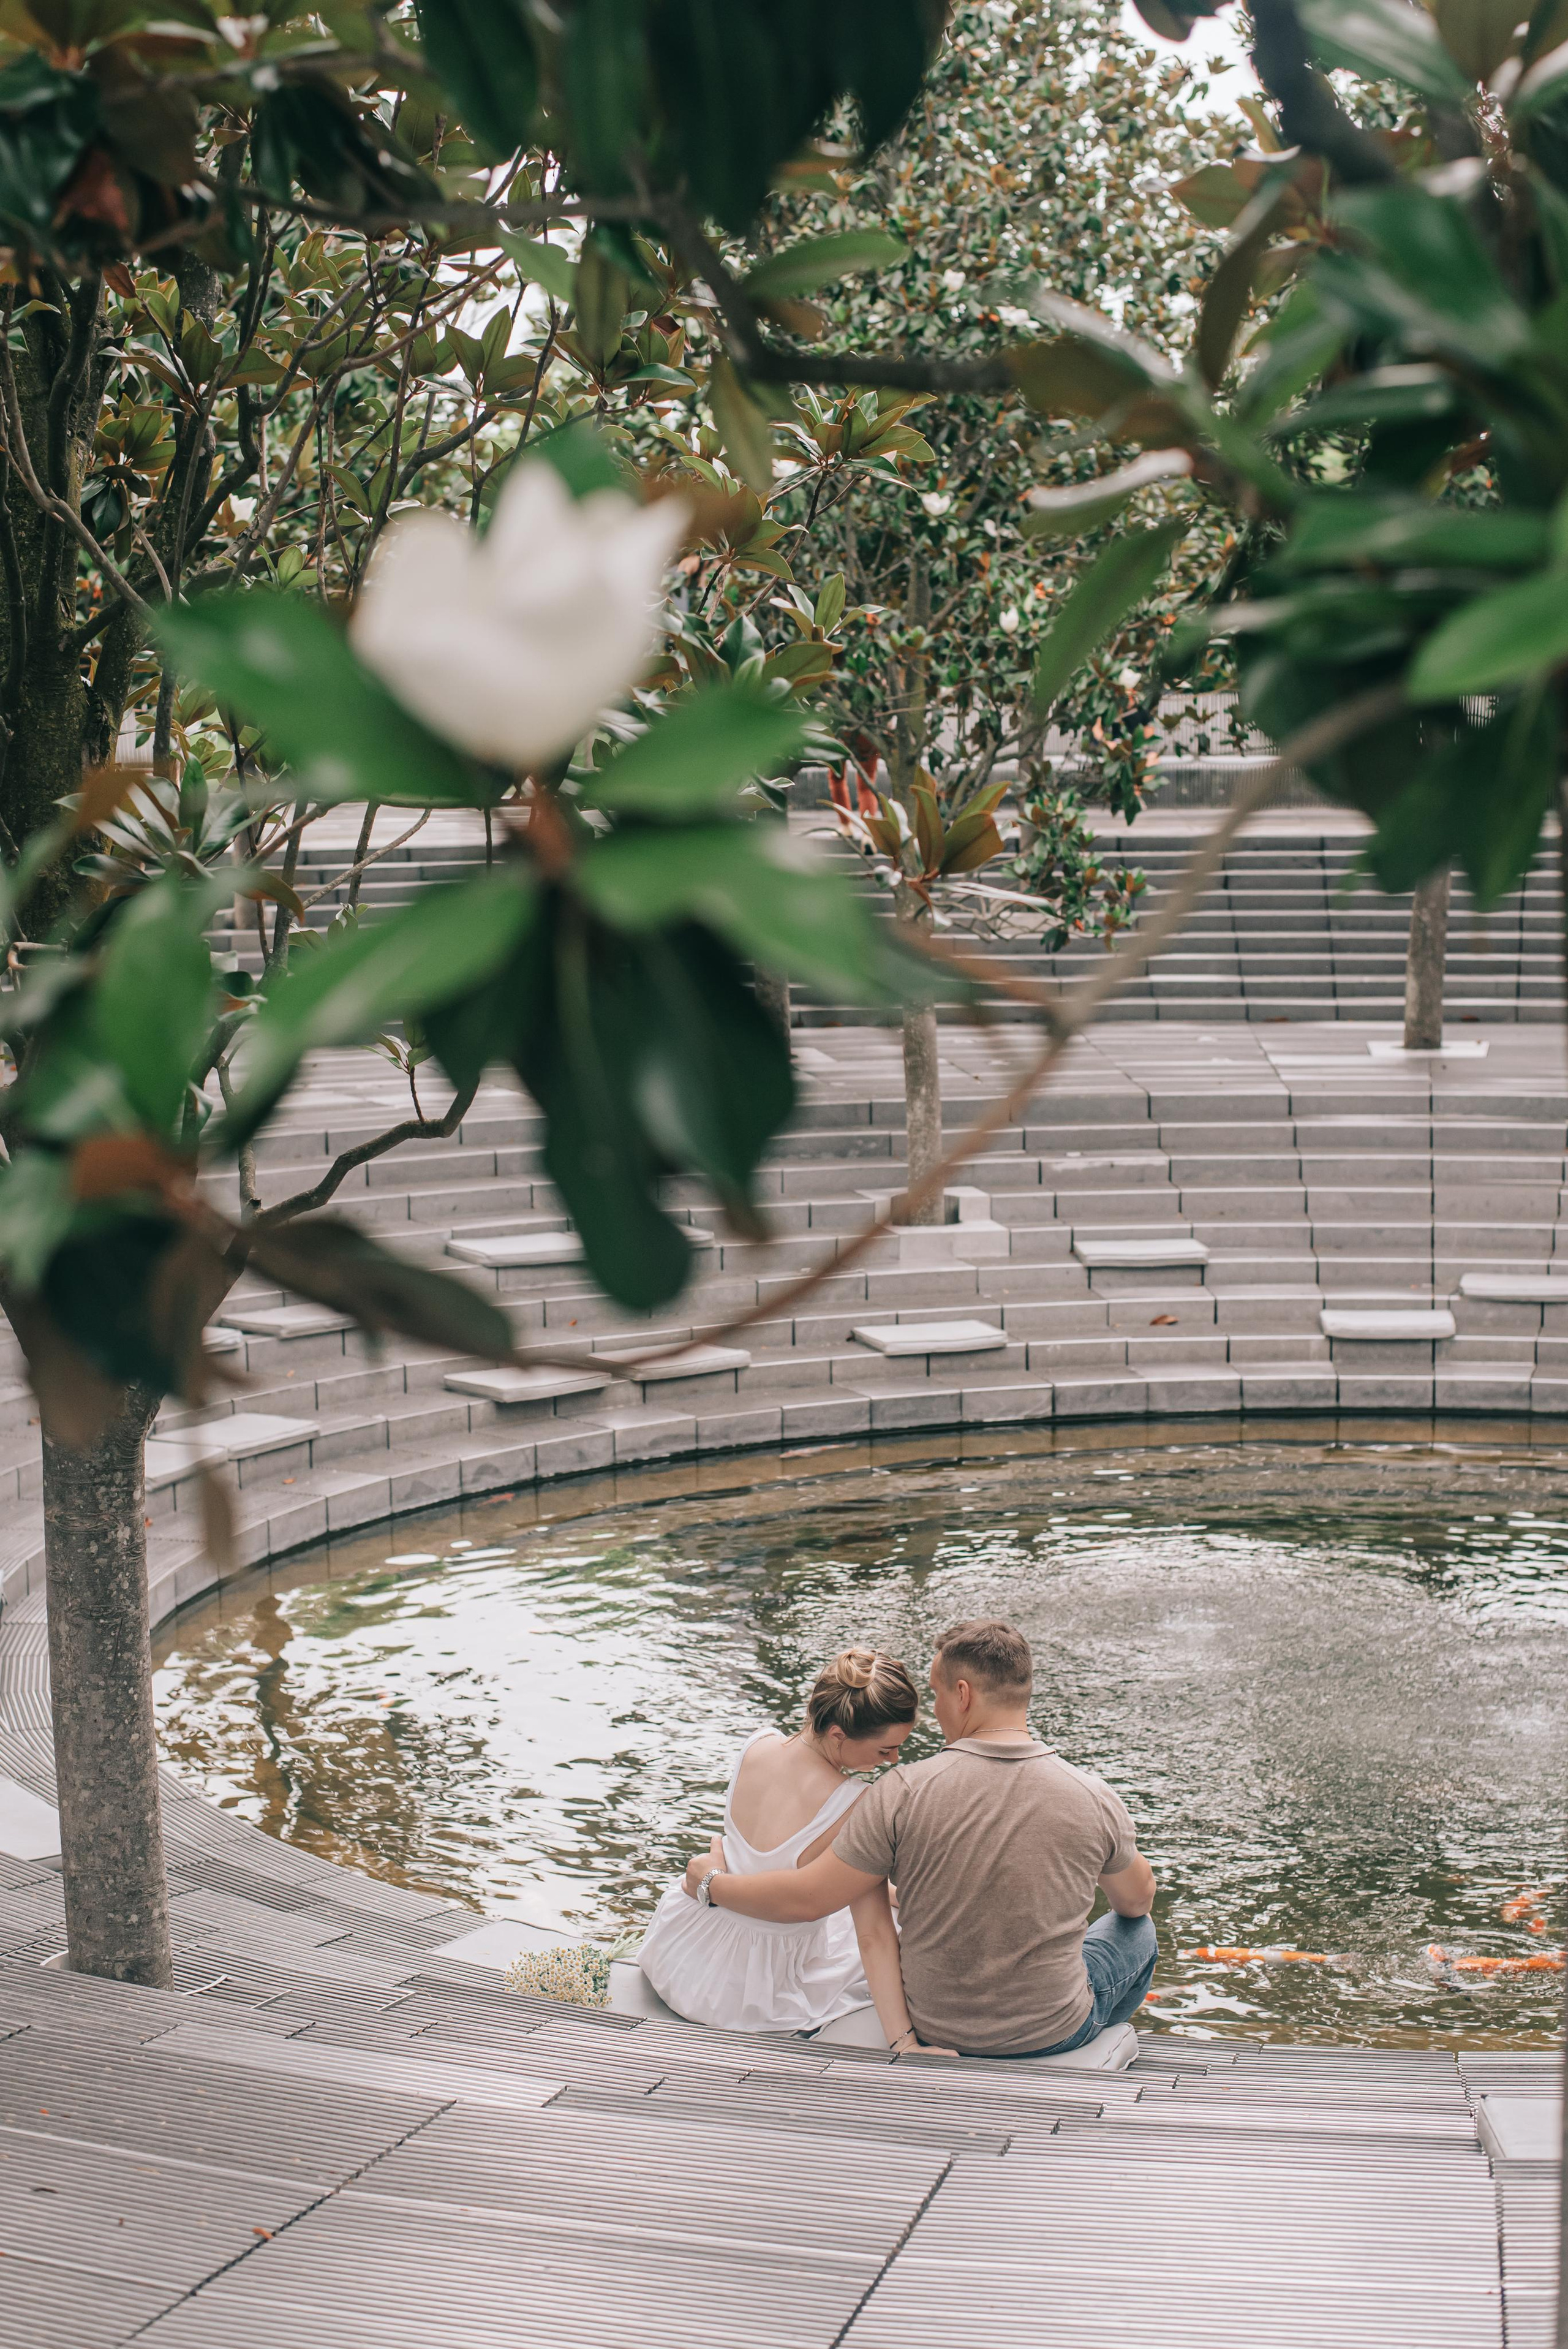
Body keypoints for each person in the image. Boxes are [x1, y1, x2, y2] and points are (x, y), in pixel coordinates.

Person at [681, 1619, 1158, 2059]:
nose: (933, 1708)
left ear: (962, 1694)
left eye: (935, 1692)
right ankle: (1091, 2049)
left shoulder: (899, 1791)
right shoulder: (1092, 1795)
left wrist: (711, 1882)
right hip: (1050, 2032)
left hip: (935, 2026)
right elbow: (1137, 1900)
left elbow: (817, 1898)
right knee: (1137, 1930)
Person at [638, 1646, 920, 2033]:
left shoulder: (759, 1743)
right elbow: (871, 1935)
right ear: (838, 1734)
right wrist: (903, 2040)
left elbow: (781, 1868)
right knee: (898, 1929)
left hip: (681, 1951)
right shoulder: (856, 1801)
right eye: (885, 1749)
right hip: (752, 1989)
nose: (894, 1759)